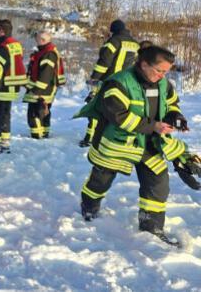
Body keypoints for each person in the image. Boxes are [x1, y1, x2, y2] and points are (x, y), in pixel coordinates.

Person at [76, 45, 201, 246]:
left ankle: (151, 228)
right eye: (159, 70)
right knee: (101, 180)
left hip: (149, 143)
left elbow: (171, 103)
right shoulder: (118, 84)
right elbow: (119, 117)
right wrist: (153, 126)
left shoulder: (164, 84)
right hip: (117, 144)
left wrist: (176, 117)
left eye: (166, 72)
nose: (163, 76)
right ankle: (89, 207)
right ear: (144, 64)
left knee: (158, 183)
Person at [80, 19, 140, 147]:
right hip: (127, 83)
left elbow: (104, 63)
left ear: (113, 31)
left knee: (97, 108)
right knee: (118, 111)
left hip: (110, 81)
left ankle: (90, 138)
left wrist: (95, 78)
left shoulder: (113, 42)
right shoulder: (135, 44)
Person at [0, 19, 27, 154]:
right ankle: (5, 142)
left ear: (1, 31)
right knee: (5, 114)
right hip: (14, 85)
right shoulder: (16, 44)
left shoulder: (3, 47)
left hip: (4, 85)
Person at [23, 31, 66, 139]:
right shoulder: (47, 51)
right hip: (46, 89)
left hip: (42, 91)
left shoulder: (48, 54)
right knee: (43, 112)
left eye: (37, 40)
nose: (36, 42)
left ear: (42, 40)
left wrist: (36, 90)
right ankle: (44, 133)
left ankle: (37, 135)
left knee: (34, 114)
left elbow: (45, 75)